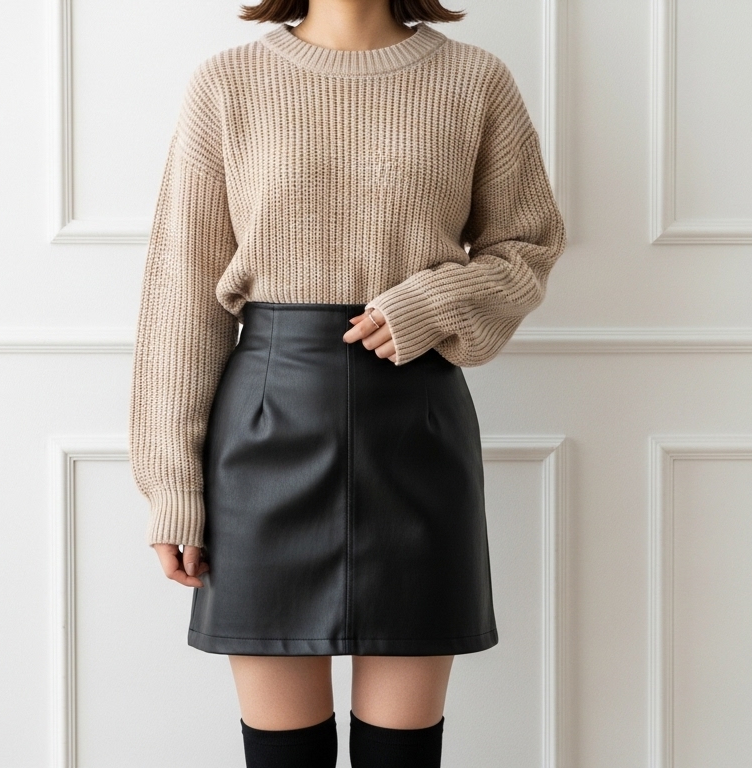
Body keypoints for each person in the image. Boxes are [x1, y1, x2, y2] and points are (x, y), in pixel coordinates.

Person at [127, 0, 566, 765]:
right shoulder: (229, 83)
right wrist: (171, 485)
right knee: (283, 755)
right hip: (264, 434)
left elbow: (528, 244)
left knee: (401, 754)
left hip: (416, 430)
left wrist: (432, 302)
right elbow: (181, 294)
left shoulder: (474, 80)